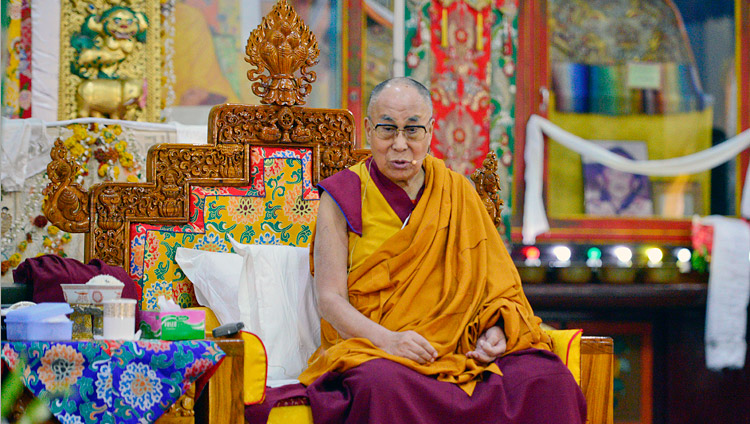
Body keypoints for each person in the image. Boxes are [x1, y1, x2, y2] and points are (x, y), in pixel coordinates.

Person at [246, 77, 586, 423]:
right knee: (381, 384)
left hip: (459, 348)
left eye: (412, 130)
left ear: (431, 131)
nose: (399, 145)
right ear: (367, 129)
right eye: (387, 130)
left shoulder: (458, 193)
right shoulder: (342, 196)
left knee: (548, 378)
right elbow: (330, 299)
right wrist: (389, 341)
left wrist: (496, 332)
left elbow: (498, 291)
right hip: (378, 350)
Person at [584, 146, 653, 217]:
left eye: (625, 174)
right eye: (612, 172)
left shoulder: (647, 209)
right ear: (601, 180)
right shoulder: (590, 208)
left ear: (635, 183)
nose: (619, 179)